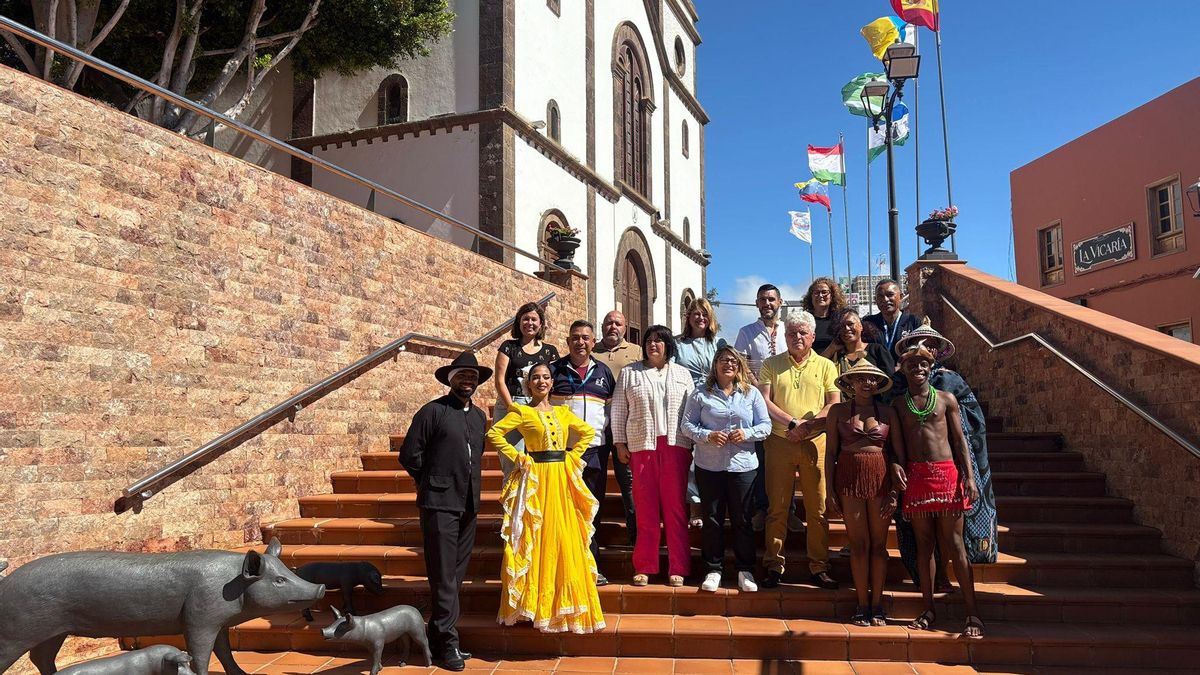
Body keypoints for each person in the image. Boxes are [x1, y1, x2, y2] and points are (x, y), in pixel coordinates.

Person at [487, 363, 605, 634]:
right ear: (528, 384)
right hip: (537, 478)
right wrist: (519, 457)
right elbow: (494, 433)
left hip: (561, 477)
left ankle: (559, 604)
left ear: (552, 383)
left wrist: (573, 456)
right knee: (536, 535)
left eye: (546, 378)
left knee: (562, 535)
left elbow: (587, 432)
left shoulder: (563, 413)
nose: (541, 382)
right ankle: (532, 605)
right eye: (535, 378)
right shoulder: (522, 412)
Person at [399, 351, 491, 671]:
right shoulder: (432, 412)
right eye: (462, 375)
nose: (468, 380)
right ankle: (448, 642)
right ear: (450, 379)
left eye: (472, 376)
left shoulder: (479, 417)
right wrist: (430, 481)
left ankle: (437, 636)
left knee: (454, 575)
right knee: (443, 576)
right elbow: (410, 455)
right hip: (439, 505)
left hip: (468, 505)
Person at [890, 319, 999, 589]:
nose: (924, 349)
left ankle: (955, 581)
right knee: (920, 535)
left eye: (930, 345)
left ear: (937, 351)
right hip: (915, 467)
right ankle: (930, 579)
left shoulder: (952, 381)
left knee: (953, 534)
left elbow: (971, 418)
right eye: (919, 344)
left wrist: (968, 471)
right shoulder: (897, 386)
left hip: (949, 463)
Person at [892, 340, 984, 639]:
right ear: (902, 369)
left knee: (955, 544)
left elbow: (960, 442)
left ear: (931, 368)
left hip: (946, 475)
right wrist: (896, 466)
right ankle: (928, 608)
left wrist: (969, 478)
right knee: (924, 546)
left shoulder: (946, 399)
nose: (918, 369)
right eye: (912, 364)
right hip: (916, 478)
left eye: (923, 364)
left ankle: (972, 611)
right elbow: (896, 447)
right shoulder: (898, 404)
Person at [757, 311, 841, 589]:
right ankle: (773, 564)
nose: (797, 337)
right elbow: (764, 402)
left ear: (813, 337)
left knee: (817, 509)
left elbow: (833, 404)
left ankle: (819, 566)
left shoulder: (827, 366)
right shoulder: (771, 364)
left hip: (816, 442)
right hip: (779, 440)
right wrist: (793, 423)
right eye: (792, 333)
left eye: (803, 333)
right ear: (785, 336)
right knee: (777, 507)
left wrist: (809, 426)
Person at [681, 346, 771, 593]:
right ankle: (713, 568)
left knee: (742, 518)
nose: (728, 364)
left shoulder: (751, 393)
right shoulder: (700, 394)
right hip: (710, 465)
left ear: (739, 365)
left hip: (743, 466)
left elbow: (766, 426)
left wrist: (747, 433)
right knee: (712, 518)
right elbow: (686, 426)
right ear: (715, 365)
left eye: (733, 360)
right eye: (723, 360)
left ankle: (745, 569)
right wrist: (707, 435)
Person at [610, 325, 695, 587]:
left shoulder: (683, 374)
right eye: (649, 340)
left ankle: (678, 566)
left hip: (675, 445)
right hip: (641, 445)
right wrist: (620, 442)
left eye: (659, 341)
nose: (653, 345)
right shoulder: (629, 373)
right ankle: (644, 565)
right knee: (645, 508)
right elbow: (618, 410)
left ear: (668, 345)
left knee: (675, 509)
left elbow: (692, 410)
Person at [825, 361, 903, 627]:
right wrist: (829, 490)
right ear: (851, 383)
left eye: (871, 379)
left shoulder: (889, 412)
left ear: (879, 383)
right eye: (860, 378)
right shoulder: (838, 411)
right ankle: (861, 604)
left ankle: (877, 605)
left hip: (880, 478)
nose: (867, 383)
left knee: (879, 546)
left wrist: (894, 490)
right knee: (858, 544)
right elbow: (831, 453)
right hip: (848, 477)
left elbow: (896, 454)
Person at [549, 319, 617, 584]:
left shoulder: (604, 371)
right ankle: (562, 567)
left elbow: (610, 411)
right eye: (575, 338)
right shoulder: (554, 371)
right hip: (562, 453)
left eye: (585, 338)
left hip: (595, 451)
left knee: (591, 510)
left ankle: (590, 565)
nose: (580, 342)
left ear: (593, 342)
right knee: (562, 511)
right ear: (567, 342)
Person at [733, 283, 801, 533]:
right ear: (756, 304)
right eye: (762, 300)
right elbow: (740, 363)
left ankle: (789, 510)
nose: (767, 304)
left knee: (788, 459)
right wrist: (757, 386)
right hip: (756, 405)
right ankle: (762, 509)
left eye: (771, 299)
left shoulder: (790, 329)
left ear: (780, 302)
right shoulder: (746, 331)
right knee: (762, 460)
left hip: (786, 402)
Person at [675, 297, 728, 529]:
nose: (700, 318)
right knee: (691, 455)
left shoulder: (718, 343)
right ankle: (695, 505)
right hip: (687, 398)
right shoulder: (678, 344)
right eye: (695, 314)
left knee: (713, 449)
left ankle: (718, 504)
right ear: (688, 317)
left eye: (704, 314)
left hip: (713, 398)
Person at [493, 302, 560, 477]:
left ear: (541, 324)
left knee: (538, 463)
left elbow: (552, 383)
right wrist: (512, 409)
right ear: (518, 322)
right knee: (513, 464)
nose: (529, 323)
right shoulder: (508, 347)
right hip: (511, 404)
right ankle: (513, 503)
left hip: (538, 408)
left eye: (533, 319)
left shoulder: (550, 352)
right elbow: (500, 380)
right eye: (525, 319)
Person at [592, 310, 639, 545]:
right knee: (594, 483)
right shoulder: (590, 351)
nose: (613, 327)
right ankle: (591, 539)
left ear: (625, 327)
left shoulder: (637, 352)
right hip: (597, 425)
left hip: (627, 427)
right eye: (608, 322)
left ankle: (636, 537)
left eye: (618, 323)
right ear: (602, 326)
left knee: (629, 484)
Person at [823, 308, 896, 377]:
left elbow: (890, 378)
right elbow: (817, 367)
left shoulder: (877, 350)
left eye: (850, 324)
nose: (846, 328)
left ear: (861, 326)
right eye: (842, 326)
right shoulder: (837, 356)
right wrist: (831, 349)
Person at [863, 280, 921, 355]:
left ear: (901, 296)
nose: (885, 299)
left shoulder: (913, 321)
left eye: (890, 294)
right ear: (876, 300)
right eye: (880, 296)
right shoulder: (869, 323)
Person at [802, 277, 849, 355]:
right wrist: (830, 350)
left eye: (824, 292)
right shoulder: (805, 320)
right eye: (816, 292)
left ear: (832, 295)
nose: (820, 295)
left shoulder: (840, 319)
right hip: (812, 365)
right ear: (811, 296)